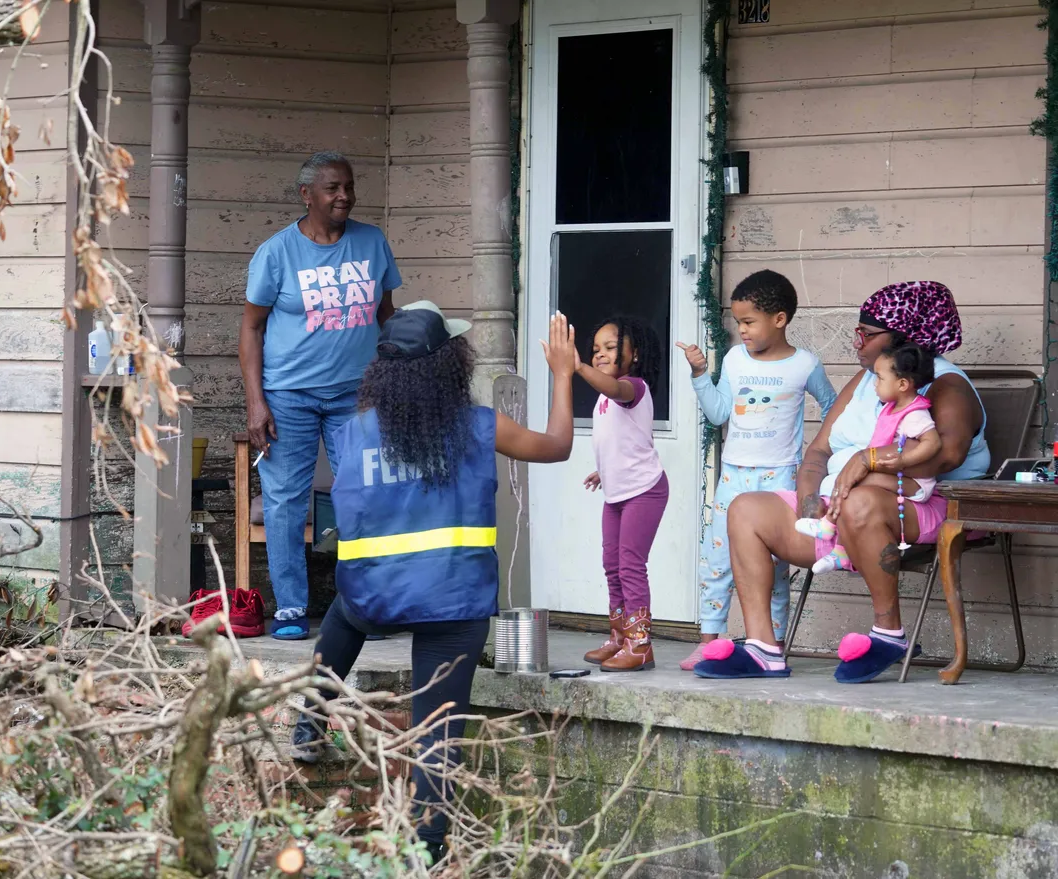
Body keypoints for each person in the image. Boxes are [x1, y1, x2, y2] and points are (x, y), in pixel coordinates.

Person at [288, 303, 579, 867]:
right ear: (450, 365)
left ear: (383, 372)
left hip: (373, 600)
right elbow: (559, 446)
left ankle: (311, 716)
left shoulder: (350, 434)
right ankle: (427, 849)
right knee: (436, 731)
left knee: (343, 613)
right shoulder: (480, 425)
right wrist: (563, 374)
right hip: (454, 602)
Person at [694, 281, 988, 684]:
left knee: (860, 502)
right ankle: (764, 649)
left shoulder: (946, 386)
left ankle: (889, 633)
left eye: (866, 335)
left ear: (904, 339)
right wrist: (814, 507)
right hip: (841, 507)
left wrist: (867, 463)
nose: (857, 343)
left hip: (923, 506)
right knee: (746, 509)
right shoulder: (868, 380)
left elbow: (947, 454)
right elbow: (817, 453)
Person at [228, 151, 401, 641]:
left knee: (365, 495)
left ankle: (364, 605)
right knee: (285, 500)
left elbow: (387, 314)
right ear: (307, 195)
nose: (343, 195)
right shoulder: (277, 253)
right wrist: (255, 401)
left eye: (348, 186)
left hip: (358, 394)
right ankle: (290, 609)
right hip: (289, 396)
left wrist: (403, 372)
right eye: (332, 188)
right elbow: (251, 328)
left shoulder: (372, 242)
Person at [673, 270, 836, 670]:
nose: (741, 330)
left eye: (748, 322)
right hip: (734, 476)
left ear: (779, 319)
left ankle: (771, 643)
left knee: (775, 570)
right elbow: (718, 413)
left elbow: (834, 408)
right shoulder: (733, 359)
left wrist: (825, 457)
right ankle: (709, 640)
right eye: (738, 322)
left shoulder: (804, 365)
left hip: (780, 478)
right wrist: (699, 375)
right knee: (718, 560)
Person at [796, 341, 941, 574]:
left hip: (915, 484)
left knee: (854, 485)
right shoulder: (890, 407)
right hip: (895, 476)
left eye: (880, 379)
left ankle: (828, 526)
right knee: (851, 486)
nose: (874, 384)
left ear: (902, 384)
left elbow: (933, 443)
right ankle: (840, 550)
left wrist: (904, 461)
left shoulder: (915, 413)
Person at [577, 315, 669, 672]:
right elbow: (621, 440)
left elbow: (615, 392)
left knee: (631, 565)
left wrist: (578, 367)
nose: (599, 354)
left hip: (644, 491)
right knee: (611, 565)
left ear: (635, 355)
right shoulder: (603, 399)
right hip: (616, 492)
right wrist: (605, 470)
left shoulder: (633, 387)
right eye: (595, 349)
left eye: (610, 348)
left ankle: (640, 644)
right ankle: (618, 637)